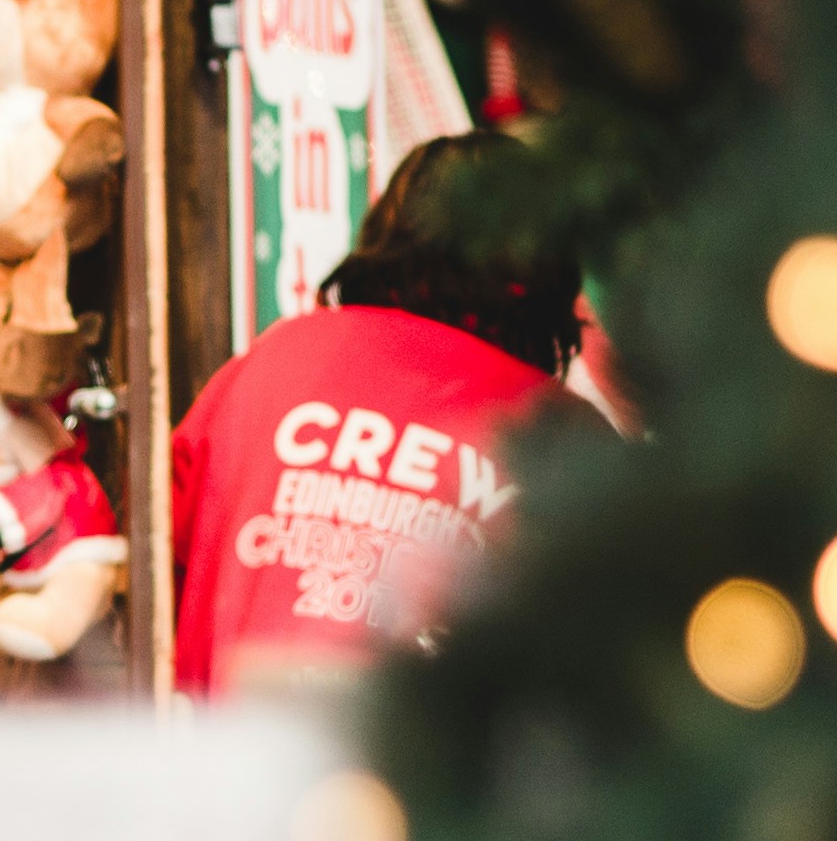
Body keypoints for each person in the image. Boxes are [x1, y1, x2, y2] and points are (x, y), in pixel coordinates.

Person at [168, 133, 586, 696]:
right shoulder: (566, 437)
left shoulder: (281, 356)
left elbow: (154, 546)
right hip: (424, 777)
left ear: (390, 232)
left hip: (225, 761)